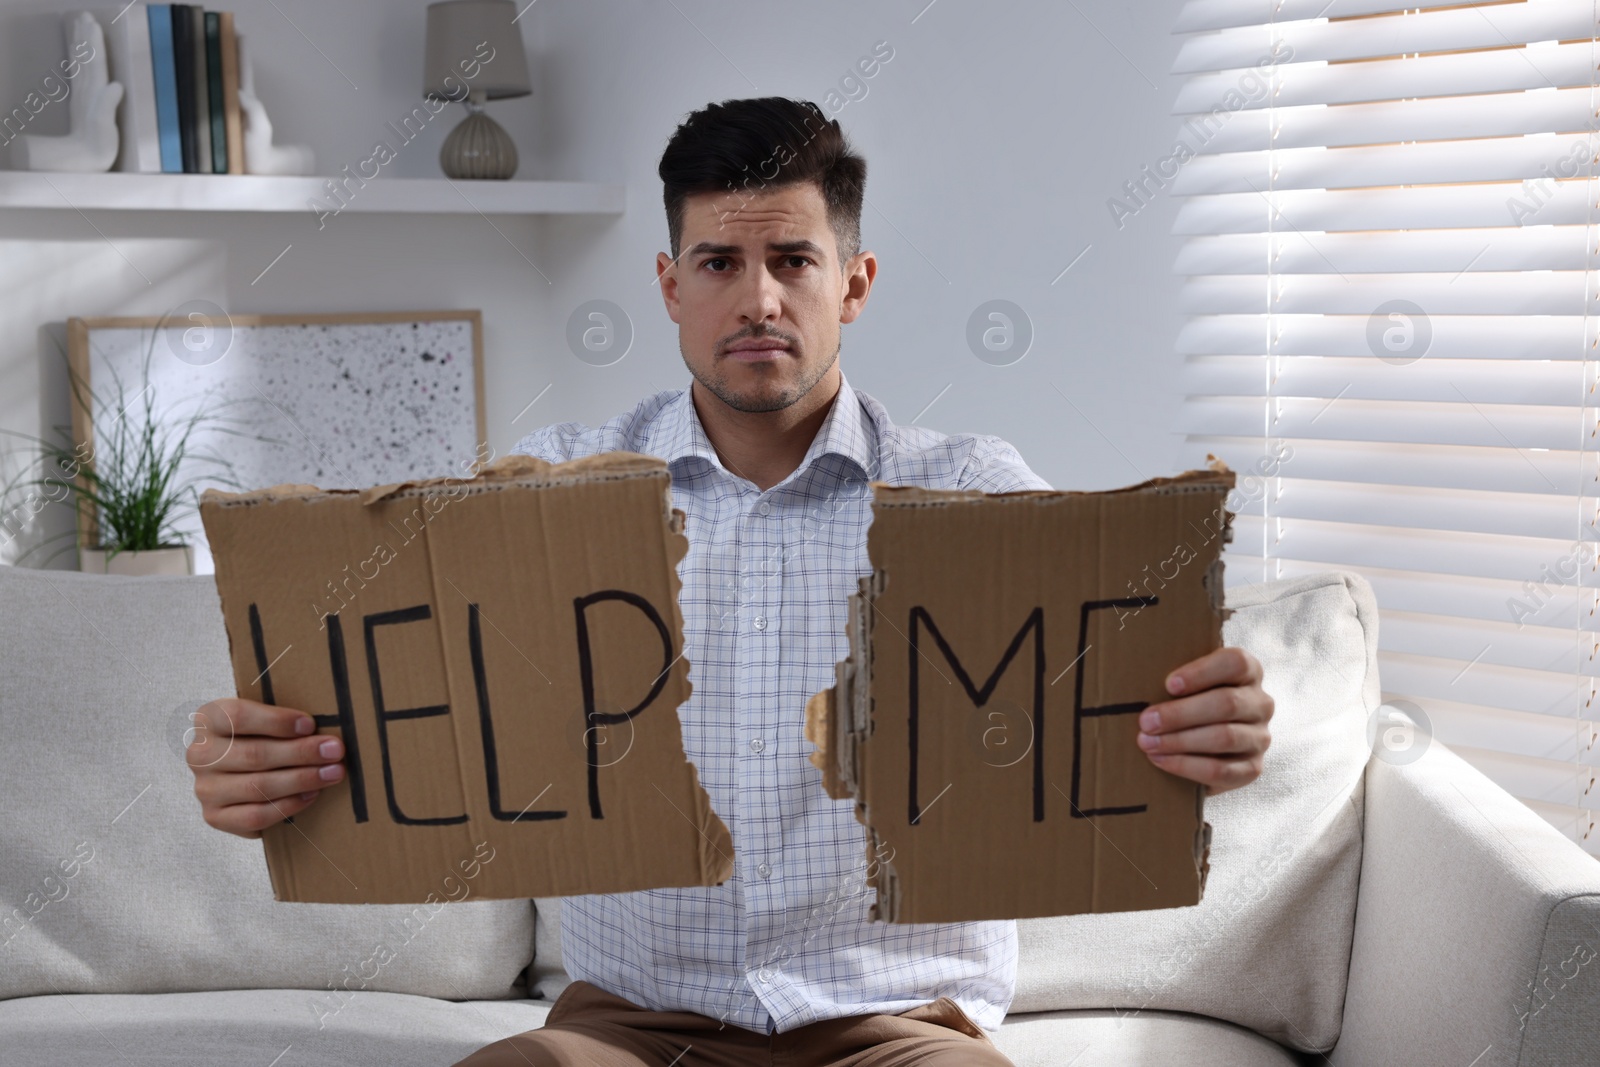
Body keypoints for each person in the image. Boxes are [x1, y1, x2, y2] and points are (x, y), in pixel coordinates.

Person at [187, 97, 1274, 1067]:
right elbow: (411, 699)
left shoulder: (971, 492)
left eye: (793, 261)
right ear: (669, 285)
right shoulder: (556, 493)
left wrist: (1202, 726)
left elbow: (1114, 701)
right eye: (717, 263)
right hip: (632, 1021)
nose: (757, 298)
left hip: (895, 1022)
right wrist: (266, 758)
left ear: (854, 283)